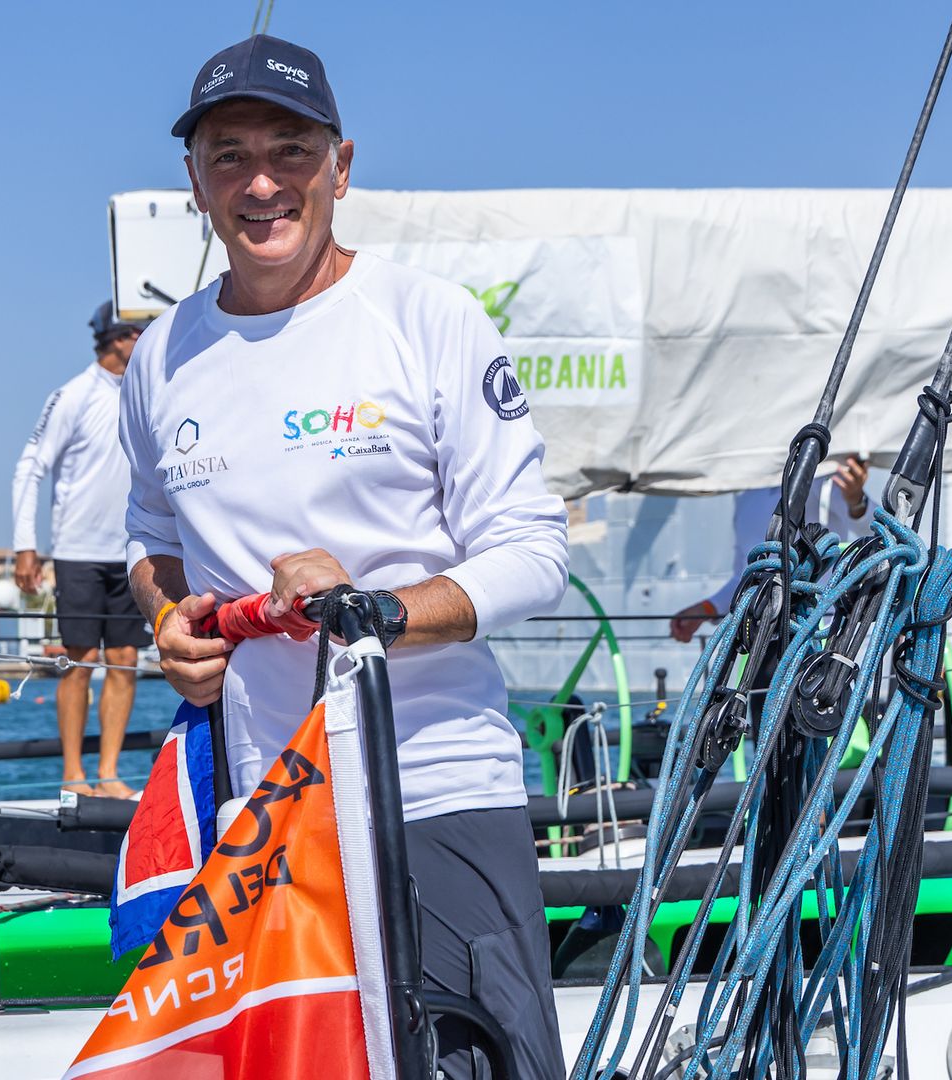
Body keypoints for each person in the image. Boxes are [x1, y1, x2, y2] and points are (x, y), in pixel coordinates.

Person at [124, 35, 570, 1077]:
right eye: (229, 155)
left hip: (435, 786)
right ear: (194, 180)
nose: (263, 182)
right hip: (263, 815)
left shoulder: (427, 319)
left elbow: (533, 549)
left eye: (291, 149)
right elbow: (149, 543)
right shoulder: (162, 356)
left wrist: (371, 611)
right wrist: (166, 621)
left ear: (342, 165)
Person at [11, 304, 146, 798]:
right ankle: (74, 772)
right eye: (140, 332)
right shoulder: (73, 394)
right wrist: (26, 545)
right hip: (78, 551)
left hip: (132, 548)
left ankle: (108, 772)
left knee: (126, 657)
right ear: (116, 338)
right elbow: (30, 467)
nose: (147, 339)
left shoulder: (146, 392)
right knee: (80, 658)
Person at [668, 455, 871, 642]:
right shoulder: (748, 496)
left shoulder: (822, 478)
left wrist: (857, 502)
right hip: (762, 635)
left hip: (820, 632)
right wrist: (706, 608)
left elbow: (876, 528)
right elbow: (745, 578)